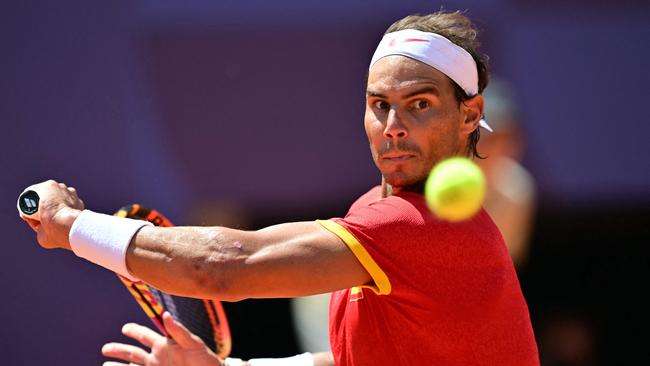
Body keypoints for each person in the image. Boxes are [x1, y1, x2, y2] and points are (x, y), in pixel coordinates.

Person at [19, 10, 539, 366]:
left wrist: (70, 226)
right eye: (379, 103)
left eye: (419, 103)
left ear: (470, 115)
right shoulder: (377, 210)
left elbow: (224, 265)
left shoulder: (413, 226)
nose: (393, 124)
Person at [475, 76, 537, 268]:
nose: (497, 146)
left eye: (504, 138)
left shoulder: (518, 190)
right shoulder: (434, 175)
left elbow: (506, 261)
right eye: (488, 137)